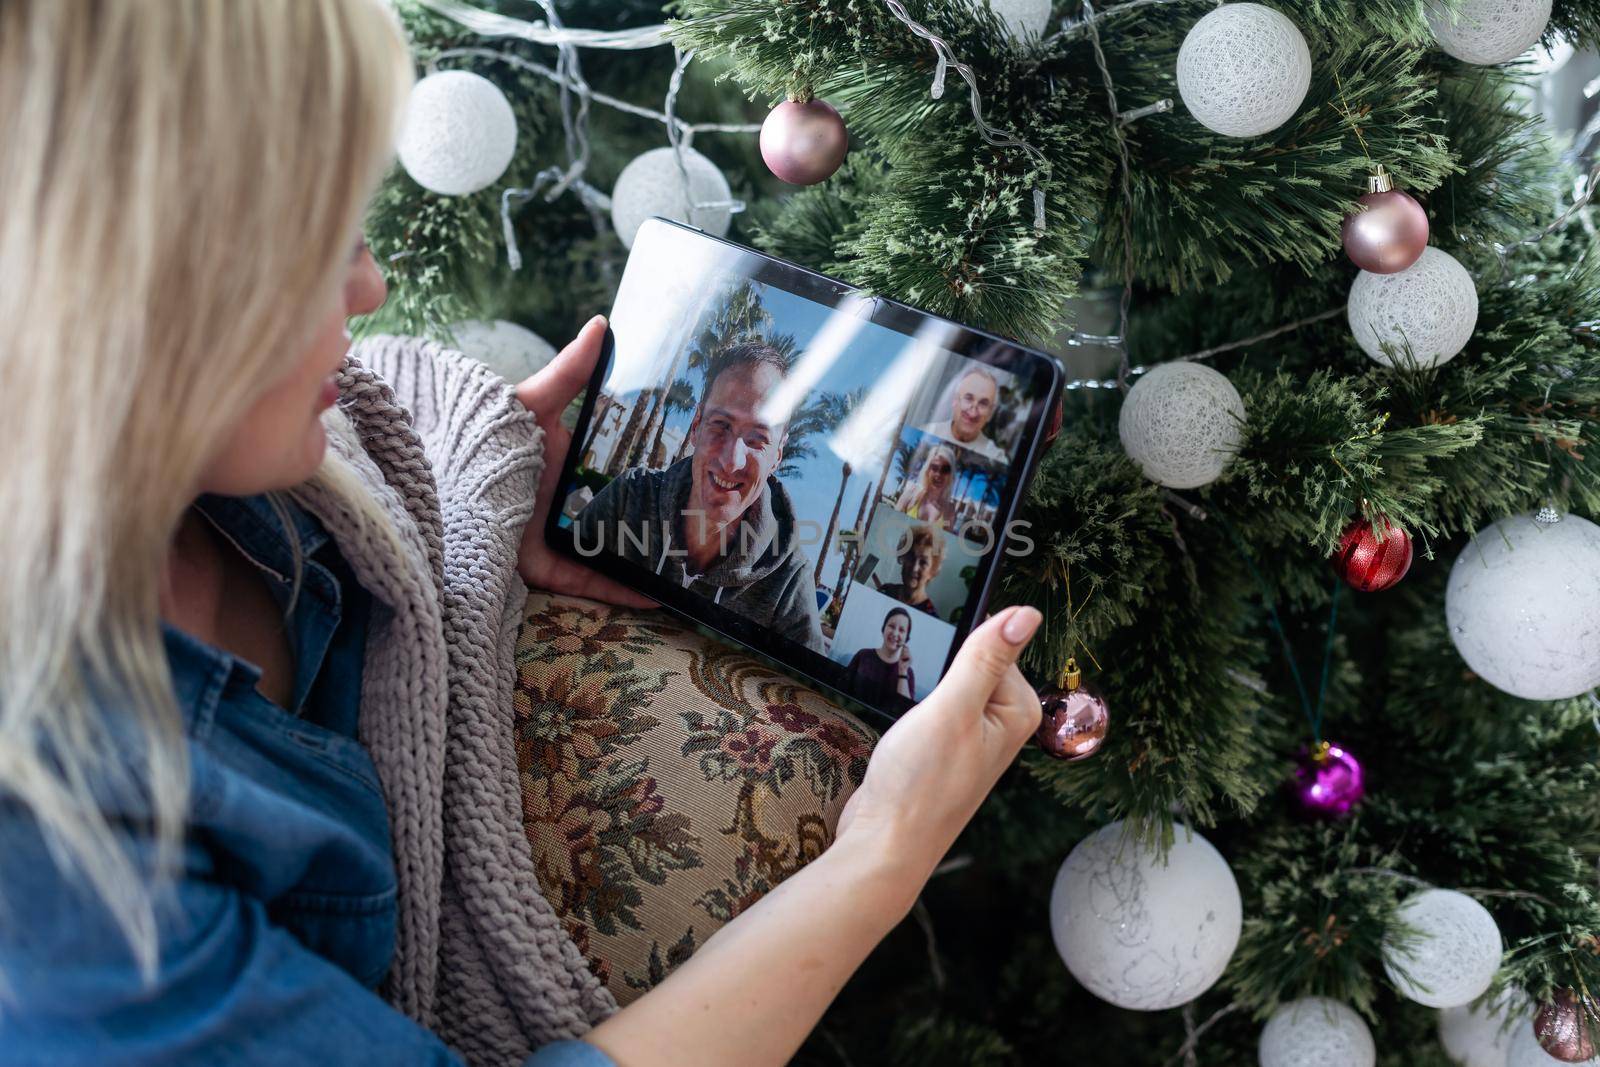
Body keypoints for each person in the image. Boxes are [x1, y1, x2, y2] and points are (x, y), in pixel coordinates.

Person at [0, 3, 1043, 1065]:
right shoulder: (61, 913)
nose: (373, 288)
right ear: (115, 301)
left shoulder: (230, 476)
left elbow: (389, 449)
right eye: (318, 245)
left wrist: (484, 510)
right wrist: (886, 845)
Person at [574, 341, 824, 652]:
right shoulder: (629, 498)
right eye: (721, 425)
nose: (732, 461)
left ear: (777, 456)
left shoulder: (788, 581)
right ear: (696, 426)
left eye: (758, 439)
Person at [922, 364, 1008, 463]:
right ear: (955, 400)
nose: (973, 412)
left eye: (983, 403)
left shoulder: (996, 458)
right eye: (968, 398)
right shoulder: (927, 433)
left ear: (990, 413)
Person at [845, 608, 917, 705]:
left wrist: (902, 671)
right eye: (891, 626)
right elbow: (843, 687)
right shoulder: (863, 655)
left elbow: (904, 711)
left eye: (901, 630)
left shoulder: (908, 673)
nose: (895, 633)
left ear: (906, 638)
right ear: (883, 629)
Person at [876, 525, 945, 617]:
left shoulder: (930, 615)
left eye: (923, 562)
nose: (914, 568)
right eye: (911, 557)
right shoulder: (885, 590)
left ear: (932, 571)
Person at [895, 443, 958, 528]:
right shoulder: (911, 493)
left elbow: (945, 539)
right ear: (928, 470)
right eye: (934, 468)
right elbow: (892, 525)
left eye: (945, 469)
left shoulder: (949, 510)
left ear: (950, 475)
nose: (938, 474)